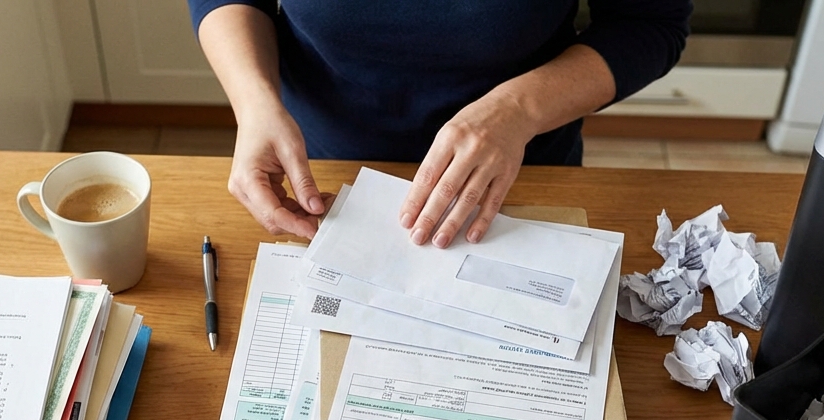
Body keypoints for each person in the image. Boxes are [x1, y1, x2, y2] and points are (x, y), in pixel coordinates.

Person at [188, 0, 691, 247]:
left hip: (514, 178)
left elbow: (649, 21)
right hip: (324, 174)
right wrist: (253, 101)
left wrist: (519, 108)